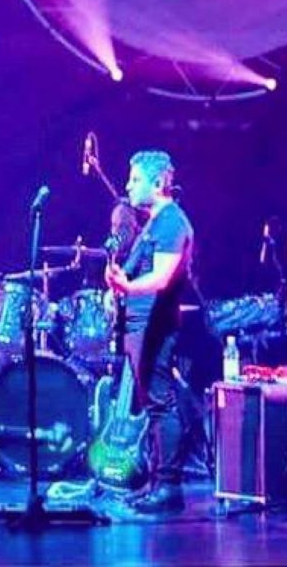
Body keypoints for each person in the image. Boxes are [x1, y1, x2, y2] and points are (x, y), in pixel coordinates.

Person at [103, 149, 194, 512]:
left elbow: (161, 278)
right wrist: (115, 284)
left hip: (156, 327)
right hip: (140, 326)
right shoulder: (153, 224)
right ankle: (156, 482)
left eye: (135, 179)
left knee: (161, 404)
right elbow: (135, 270)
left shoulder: (172, 222)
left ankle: (169, 487)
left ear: (157, 183)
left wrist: (126, 287)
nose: (128, 186)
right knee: (153, 406)